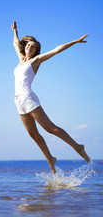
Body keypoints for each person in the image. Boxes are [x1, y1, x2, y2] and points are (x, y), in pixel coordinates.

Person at [11, 21, 90, 173]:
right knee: (32, 134)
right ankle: (50, 159)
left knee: (49, 128)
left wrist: (75, 41)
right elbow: (15, 43)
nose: (29, 47)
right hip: (18, 101)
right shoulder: (21, 59)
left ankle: (78, 147)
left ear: (36, 51)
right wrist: (15, 31)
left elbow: (56, 50)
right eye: (28, 45)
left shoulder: (36, 61)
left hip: (28, 97)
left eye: (33, 46)